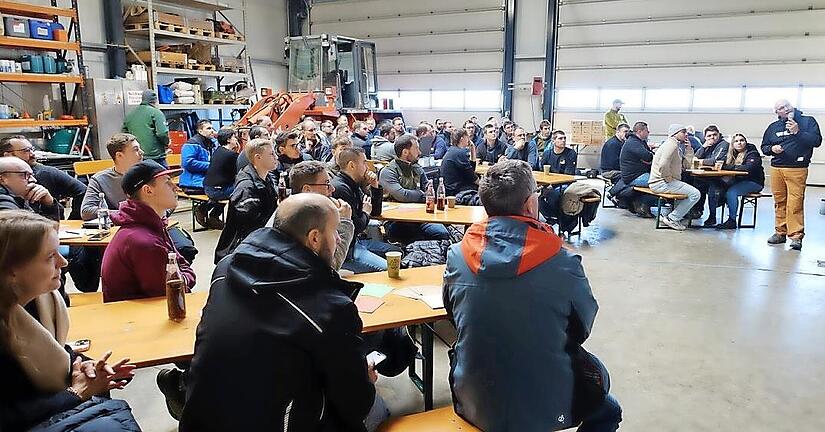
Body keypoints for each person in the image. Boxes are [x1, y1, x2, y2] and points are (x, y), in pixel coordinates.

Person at [180, 194, 389, 432]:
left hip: (202, 415)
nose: (339, 238)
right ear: (314, 238)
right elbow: (355, 402)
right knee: (377, 408)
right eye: (335, 231)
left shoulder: (226, 268)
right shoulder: (329, 307)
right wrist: (366, 381)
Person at [443, 160, 622, 432]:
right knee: (608, 408)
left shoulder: (457, 256)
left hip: (472, 398)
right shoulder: (562, 262)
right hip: (547, 405)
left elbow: (452, 315)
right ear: (530, 204)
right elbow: (581, 328)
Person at [0, 210, 139, 432]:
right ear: (11, 271)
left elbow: (54, 353)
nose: (63, 262)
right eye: (49, 257)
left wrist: (87, 366)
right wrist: (75, 394)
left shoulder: (41, 303)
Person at [101, 160, 195, 302]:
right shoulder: (143, 241)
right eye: (167, 182)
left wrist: (183, 277)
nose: (176, 187)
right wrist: (185, 278)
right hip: (136, 320)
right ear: (148, 190)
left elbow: (181, 265)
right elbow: (172, 291)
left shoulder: (150, 225)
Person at [762, 99, 822, 250]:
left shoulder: (808, 121)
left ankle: (796, 236)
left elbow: (816, 141)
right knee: (779, 201)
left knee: (795, 202)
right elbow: (764, 146)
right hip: (777, 168)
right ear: (777, 113)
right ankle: (780, 232)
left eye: (786, 105)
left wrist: (798, 132)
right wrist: (771, 149)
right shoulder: (773, 127)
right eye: (781, 108)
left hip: (797, 168)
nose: (786, 109)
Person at [332, 147, 401, 273]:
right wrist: (365, 212)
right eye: (364, 162)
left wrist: (374, 185)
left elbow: (375, 212)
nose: (368, 167)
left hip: (356, 242)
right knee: (390, 268)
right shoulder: (341, 188)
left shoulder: (354, 184)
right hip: (348, 251)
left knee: (397, 253)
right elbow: (355, 227)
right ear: (352, 165)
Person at [215, 139, 279, 263]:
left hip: (261, 239)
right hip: (242, 247)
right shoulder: (246, 187)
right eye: (271, 154)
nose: (276, 157)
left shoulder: (266, 178)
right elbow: (251, 225)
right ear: (258, 157)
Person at [378, 134, 450, 242]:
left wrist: (423, 194)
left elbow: (430, 191)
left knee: (442, 234)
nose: (420, 152)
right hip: (398, 220)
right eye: (416, 148)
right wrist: (421, 194)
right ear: (405, 152)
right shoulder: (388, 171)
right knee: (417, 237)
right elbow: (403, 195)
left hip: (421, 216)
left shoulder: (416, 168)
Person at [289, 160, 354, 271]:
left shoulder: (296, 209)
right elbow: (331, 267)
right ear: (307, 190)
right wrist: (345, 222)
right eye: (326, 184)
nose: (332, 189)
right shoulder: (302, 221)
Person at [1, 136, 86, 220]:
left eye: (32, 149)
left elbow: (83, 191)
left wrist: (50, 204)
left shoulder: (47, 172)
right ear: (8, 155)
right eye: (26, 150)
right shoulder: (5, 202)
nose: (32, 154)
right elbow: (22, 228)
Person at [81, 133, 144, 221]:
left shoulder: (149, 173)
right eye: (136, 149)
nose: (142, 152)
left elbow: (167, 206)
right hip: (118, 228)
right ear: (119, 156)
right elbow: (86, 211)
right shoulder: (99, 180)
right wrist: (124, 214)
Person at [707, 133, 765, 229]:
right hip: (738, 180)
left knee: (731, 192)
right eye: (736, 141)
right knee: (713, 187)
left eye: (742, 140)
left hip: (754, 182)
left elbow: (748, 168)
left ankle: (732, 220)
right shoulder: (731, 154)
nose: (739, 143)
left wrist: (728, 167)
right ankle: (712, 216)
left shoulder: (752, 153)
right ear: (732, 144)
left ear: (745, 142)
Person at [649, 124, 701, 231]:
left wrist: (689, 150)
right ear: (675, 133)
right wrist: (667, 178)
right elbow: (663, 164)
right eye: (683, 132)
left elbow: (687, 165)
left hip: (663, 181)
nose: (686, 134)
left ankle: (672, 217)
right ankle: (672, 218)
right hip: (661, 182)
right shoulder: (671, 145)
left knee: (686, 193)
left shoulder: (675, 146)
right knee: (695, 194)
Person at [180, 119, 223, 230]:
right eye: (208, 128)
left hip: (205, 179)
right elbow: (188, 163)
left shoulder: (211, 144)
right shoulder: (191, 144)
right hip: (192, 181)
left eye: (212, 128)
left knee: (227, 185)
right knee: (221, 189)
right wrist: (211, 165)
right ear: (200, 130)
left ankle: (212, 215)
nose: (212, 130)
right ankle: (204, 210)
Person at [693, 125, 730, 226]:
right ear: (705, 137)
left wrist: (700, 161)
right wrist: (703, 147)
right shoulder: (706, 146)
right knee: (695, 182)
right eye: (709, 136)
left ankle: (712, 217)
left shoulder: (724, 144)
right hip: (707, 176)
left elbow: (715, 161)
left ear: (719, 135)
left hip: (722, 178)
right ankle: (697, 210)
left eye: (714, 135)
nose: (712, 137)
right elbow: (694, 158)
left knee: (712, 188)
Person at [122, 89, 170, 166]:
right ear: (155, 100)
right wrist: (167, 142)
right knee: (162, 177)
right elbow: (162, 133)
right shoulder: (156, 113)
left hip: (136, 158)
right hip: (156, 158)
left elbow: (124, 136)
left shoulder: (130, 115)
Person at [203, 129, 240, 219]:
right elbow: (237, 173)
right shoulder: (231, 155)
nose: (236, 140)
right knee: (242, 189)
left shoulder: (218, 151)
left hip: (208, 187)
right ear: (228, 140)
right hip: (218, 191)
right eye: (234, 137)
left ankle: (209, 212)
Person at [440, 129, 478, 196]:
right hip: (456, 190)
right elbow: (472, 177)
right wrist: (484, 185)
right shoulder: (460, 153)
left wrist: (473, 149)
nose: (469, 139)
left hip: (451, 188)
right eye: (467, 137)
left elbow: (472, 170)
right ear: (462, 138)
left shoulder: (453, 150)